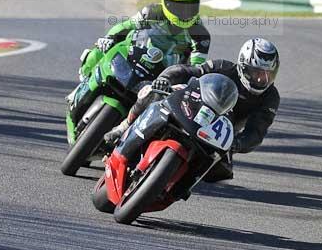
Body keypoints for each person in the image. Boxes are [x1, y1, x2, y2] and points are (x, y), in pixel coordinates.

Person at [105, 38, 280, 182]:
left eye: (267, 75)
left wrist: (238, 143)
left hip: (222, 133)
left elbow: (257, 131)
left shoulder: (271, 97)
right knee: (153, 91)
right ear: (242, 65)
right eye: (256, 72)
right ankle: (124, 127)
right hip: (194, 105)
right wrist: (165, 80)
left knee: (221, 169)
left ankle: (177, 184)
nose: (260, 79)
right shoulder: (222, 67)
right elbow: (187, 71)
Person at [66, 0, 211, 132]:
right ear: (166, 2)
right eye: (178, 7)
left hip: (162, 74)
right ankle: (81, 85)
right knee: (99, 49)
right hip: (137, 56)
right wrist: (108, 39)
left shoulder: (200, 34)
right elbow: (124, 26)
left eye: (190, 8)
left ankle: (127, 132)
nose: (184, 13)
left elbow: (195, 69)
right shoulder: (152, 12)